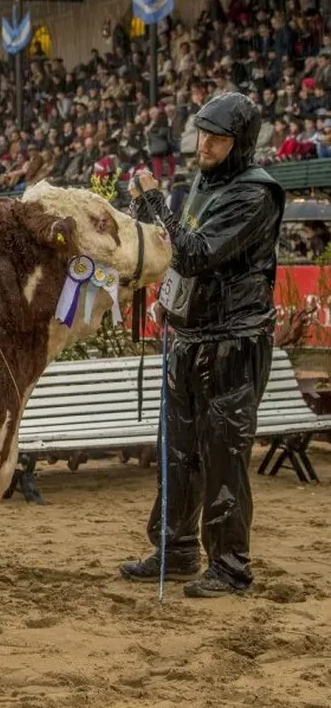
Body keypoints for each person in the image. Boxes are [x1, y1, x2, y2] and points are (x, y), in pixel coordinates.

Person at [121, 91, 286, 598]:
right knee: (179, 449)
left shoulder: (254, 194)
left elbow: (192, 254)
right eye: (203, 135)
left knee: (223, 454)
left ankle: (231, 566)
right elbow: (182, 259)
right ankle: (176, 548)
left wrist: (153, 201)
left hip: (234, 343)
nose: (205, 145)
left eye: (217, 138)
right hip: (192, 336)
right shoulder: (206, 183)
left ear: (239, 143)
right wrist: (169, 302)